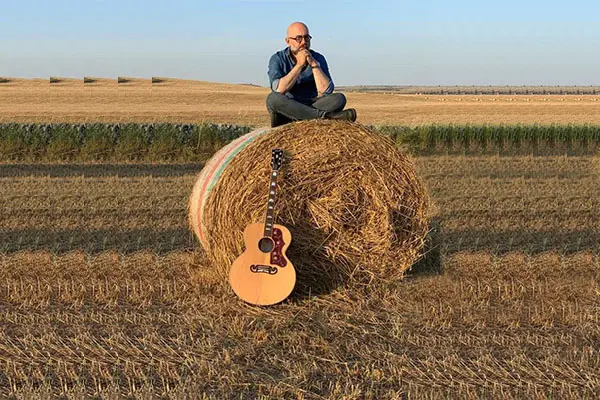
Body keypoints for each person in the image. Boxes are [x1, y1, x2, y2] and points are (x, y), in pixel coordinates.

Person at [266, 22, 357, 128]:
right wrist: (299, 65)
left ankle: (302, 117)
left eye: (307, 38)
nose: (304, 42)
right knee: (273, 99)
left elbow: (326, 91)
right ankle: (326, 117)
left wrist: (314, 65)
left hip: (312, 104)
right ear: (288, 41)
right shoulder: (277, 59)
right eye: (299, 38)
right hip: (288, 106)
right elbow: (279, 89)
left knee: (339, 98)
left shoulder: (318, 58)